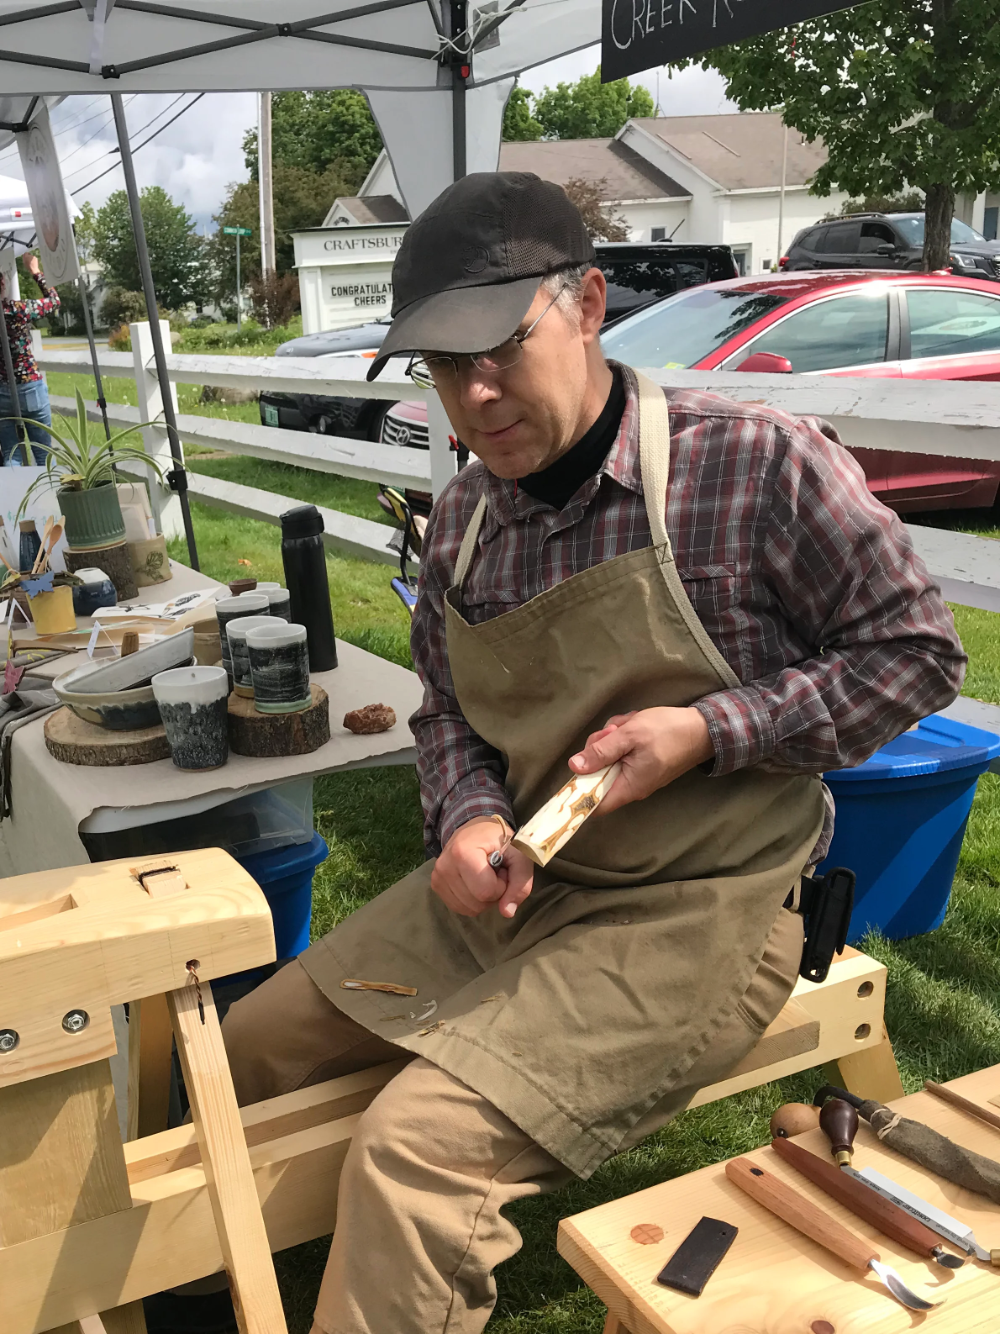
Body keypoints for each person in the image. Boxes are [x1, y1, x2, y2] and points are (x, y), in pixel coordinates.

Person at [212, 174, 964, 1334]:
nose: (475, 392)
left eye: (501, 347)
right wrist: (466, 817)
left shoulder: (755, 465)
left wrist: (708, 730)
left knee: (417, 1150)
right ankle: (201, 1290)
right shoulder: (464, 524)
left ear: (590, 305)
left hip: (706, 902)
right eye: (443, 365)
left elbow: (915, 653)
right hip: (526, 880)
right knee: (245, 1047)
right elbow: (448, 715)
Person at [0, 252, 59, 466]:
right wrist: (35, 271)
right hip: (29, 385)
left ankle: (14, 489)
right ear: (2, 284)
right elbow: (53, 301)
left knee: (11, 454)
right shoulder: (17, 310)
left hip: (1, 390)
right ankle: (49, 488)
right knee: (43, 454)